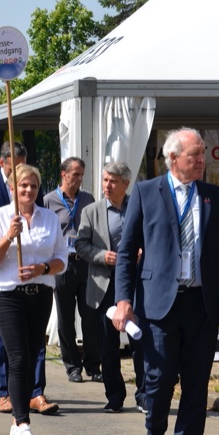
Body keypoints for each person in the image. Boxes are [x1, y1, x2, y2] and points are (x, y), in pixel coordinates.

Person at [112, 128, 219, 435]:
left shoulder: (218, 198)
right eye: (194, 154)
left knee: (197, 383)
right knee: (159, 379)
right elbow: (126, 252)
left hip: (202, 305)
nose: (201, 160)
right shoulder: (145, 192)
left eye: (202, 154)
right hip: (158, 304)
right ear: (173, 159)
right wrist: (124, 300)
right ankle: (154, 433)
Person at [0, 164, 68, 435]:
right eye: (22, 186)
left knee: (31, 357)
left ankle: (17, 419)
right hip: (8, 295)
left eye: (32, 185)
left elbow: (61, 260)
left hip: (40, 294)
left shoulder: (50, 219)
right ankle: (22, 423)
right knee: (17, 356)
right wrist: (8, 236)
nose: (28, 190)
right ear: (12, 188)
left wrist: (42, 268)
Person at [0, 142, 56, 415]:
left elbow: (42, 229)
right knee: (5, 342)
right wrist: (6, 231)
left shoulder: (35, 196)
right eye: (14, 166)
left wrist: (43, 266)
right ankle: (6, 392)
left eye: (23, 163)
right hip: (2, 277)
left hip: (35, 283)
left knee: (34, 345)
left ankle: (35, 391)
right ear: (3, 164)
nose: (22, 175)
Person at [75, 161, 146, 413]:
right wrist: (102, 255)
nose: (107, 185)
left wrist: (142, 251)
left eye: (113, 181)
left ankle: (144, 395)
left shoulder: (139, 207)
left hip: (136, 284)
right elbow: (80, 245)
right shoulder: (91, 211)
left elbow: (151, 237)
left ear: (126, 184)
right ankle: (114, 396)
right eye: (105, 180)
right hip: (105, 285)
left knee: (140, 342)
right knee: (108, 345)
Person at [43, 158, 99, 383]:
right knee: (66, 318)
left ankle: (93, 365)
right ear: (63, 174)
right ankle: (72, 366)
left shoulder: (88, 199)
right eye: (75, 174)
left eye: (81, 175)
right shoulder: (49, 201)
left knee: (91, 316)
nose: (78, 180)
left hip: (85, 262)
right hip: (62, 264)